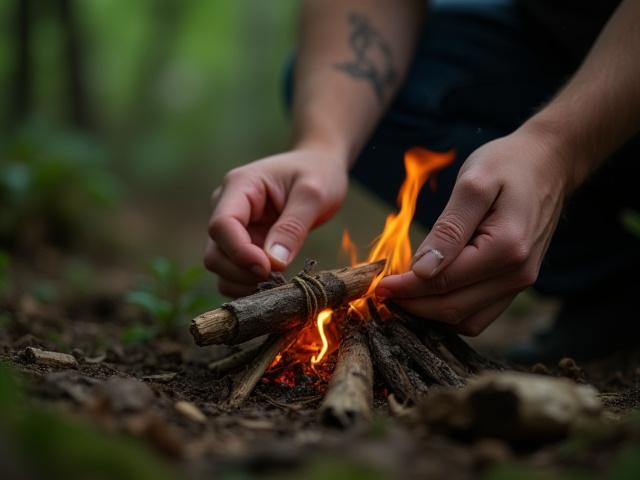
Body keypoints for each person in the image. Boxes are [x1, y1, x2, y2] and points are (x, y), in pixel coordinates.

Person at [204, 0, 640, 362]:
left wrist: (556, 149)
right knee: (381, 90)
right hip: (551, 57)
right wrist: (322, 146)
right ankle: (611, 288)